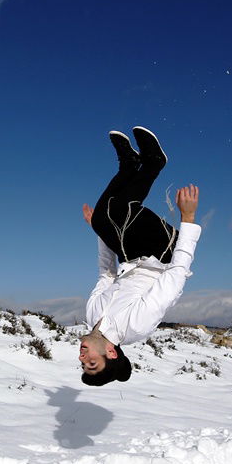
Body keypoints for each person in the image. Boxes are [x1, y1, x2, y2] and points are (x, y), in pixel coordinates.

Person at [79, 126, 202, 386]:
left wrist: (100, 232)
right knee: (120, 211)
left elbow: (106, 273)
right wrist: (188, 219)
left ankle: (129, 165)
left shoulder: (91, 316)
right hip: (163, 254)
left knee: (102, 219)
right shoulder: (135, 327)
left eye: (83, 365)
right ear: (111, 353)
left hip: (131, 255)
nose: (83, 358)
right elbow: (175, 278)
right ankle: (153, 164)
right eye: (92, 363)